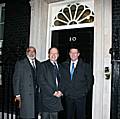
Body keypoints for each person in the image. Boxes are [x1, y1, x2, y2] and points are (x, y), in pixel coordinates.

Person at [61, 47, 94, 119]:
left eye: (75, 53)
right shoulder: (63, 65)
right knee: (69, 116)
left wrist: (84, 92)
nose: (73, 54)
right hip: (68, 96)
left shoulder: (86, 66)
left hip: (80, 96)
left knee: (81, 116)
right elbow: (62, 80)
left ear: (78, 54)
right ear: (69, 54)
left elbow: (90, 81)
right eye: (71, 52)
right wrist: (65, 91)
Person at [13, 46, 41, 119]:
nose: (32, 53)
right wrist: (17, 94)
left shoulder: (39, 64)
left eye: (33, 51)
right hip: (25, 94)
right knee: (25, 115)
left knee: (35, 113)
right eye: (30, 51)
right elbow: (16, 79)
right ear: (26, 53)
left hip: (37, 94)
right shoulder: (21, 63)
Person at [38, 47, 63, 119]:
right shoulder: (43, 65)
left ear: (58, 55)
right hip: (47, 99)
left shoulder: (60, 66)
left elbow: (63, 81)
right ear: (48, 55)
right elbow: (41, 81)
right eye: (52, 53)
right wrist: (53, 92)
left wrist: (61, 91)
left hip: (57, 99)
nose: (53, 55)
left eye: (55, 53)